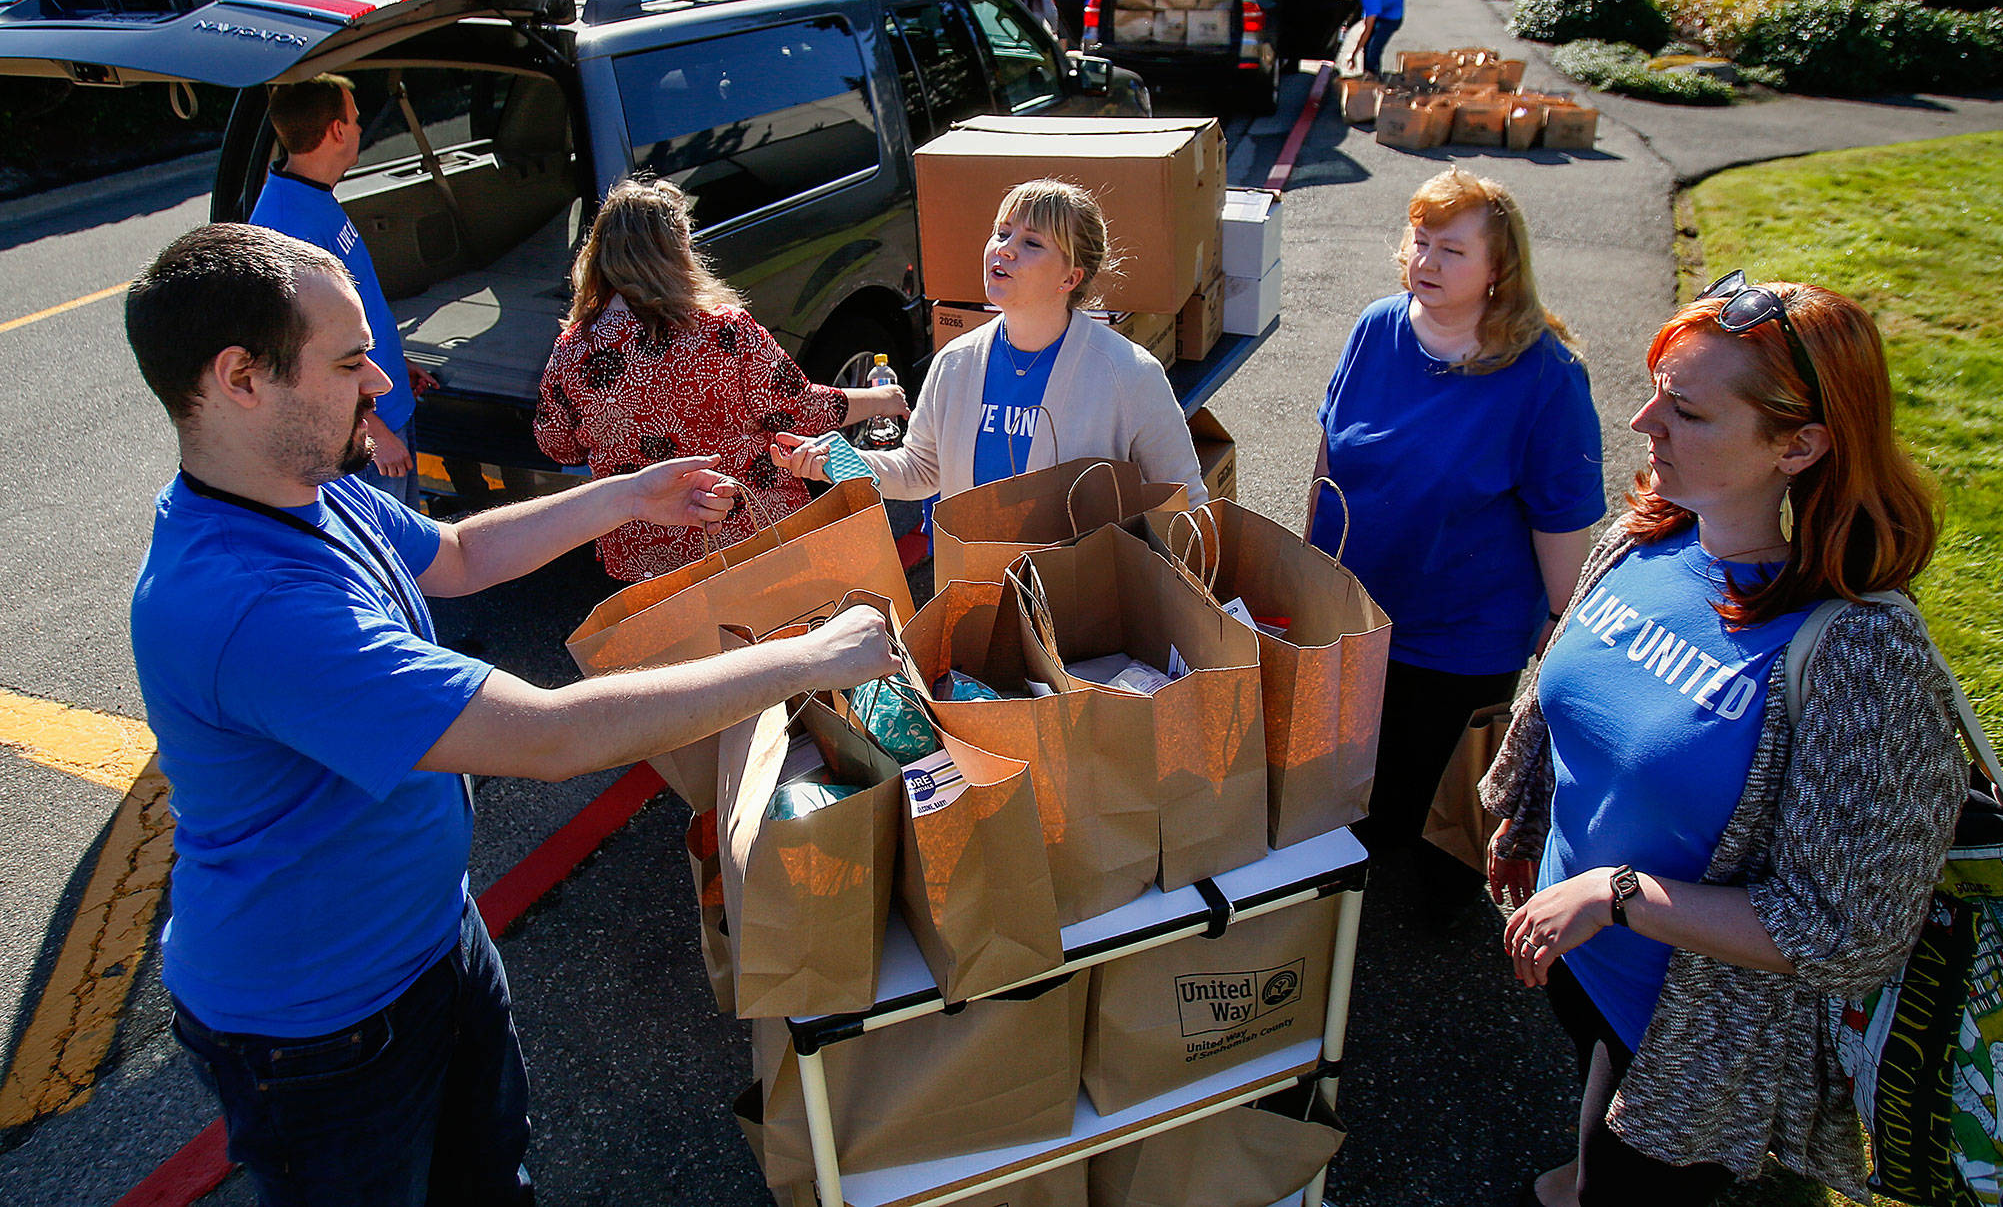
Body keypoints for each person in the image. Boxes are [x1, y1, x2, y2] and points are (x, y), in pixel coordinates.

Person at [128, 222, 895, 1207]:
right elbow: (547, 734)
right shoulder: (245, 605)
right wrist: (808, 656)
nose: (379, 384)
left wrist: (628, 494)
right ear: (240, 378)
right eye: (352, 359)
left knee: (493, 1183)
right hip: (318, 1034)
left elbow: (456, 555)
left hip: (430, 943)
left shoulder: (301, 490)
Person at [1481, 275, 1967, 1207]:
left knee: (1627, 1180)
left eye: (1687, 410)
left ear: (1801, 444)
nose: (1639, 420)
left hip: (1694, 1041)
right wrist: (1522, 823)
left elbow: (1848, 929)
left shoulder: (1860, 655)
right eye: (1658, 388)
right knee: (1594, 1120)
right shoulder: (1642, 538)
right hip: (1581, 957)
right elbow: (1563, 706)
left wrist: (1614, 894)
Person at [1308, 170, 1603, 877]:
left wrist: (1562, 619)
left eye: (1452, 250)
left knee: (1431, 803)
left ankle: (1431, 902)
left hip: (1461, 634)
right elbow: (1331, 445)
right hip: (1356, 608)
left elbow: (1560, 515)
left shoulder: (1544, 375)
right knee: (1350, 783)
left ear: (1500, 269)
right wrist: (1308, 559)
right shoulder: (1377, 327)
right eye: (1420, 241)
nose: (1426, 262)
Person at [533, 177, 908, 581]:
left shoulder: (574, 347)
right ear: (678, 251)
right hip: (749, 533)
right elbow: (800, 410)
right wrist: (883, 398)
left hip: (646, 556)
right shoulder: (723, 329)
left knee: (682, 644)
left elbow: (558, 446)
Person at [774, 179, 1204, 507]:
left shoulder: (1128, 373)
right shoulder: (955, 362)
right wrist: (838, 459)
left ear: (1070, 278)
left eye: (1032, 242)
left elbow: (1187, 501)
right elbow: (921, 470)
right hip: (976, 595)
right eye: (1002, 233)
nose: (1006, 249)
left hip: (1083, 602)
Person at [248, 74, 436, 508]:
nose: (357, 128)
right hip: (365, 437)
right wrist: (371, 430)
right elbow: (302, 358)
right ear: (335, 131)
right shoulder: (283, 228)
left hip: (385, 406)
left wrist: (393, 361)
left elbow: (352, 309)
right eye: (353, 120)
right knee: (385, 564)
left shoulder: (312, 198)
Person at [1335, 0, 1405, 77]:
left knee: (1374, 47)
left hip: (1392, 14)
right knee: (1366, 46)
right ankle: (1367, 74)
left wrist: (1353, 55)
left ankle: (1373, 77)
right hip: (1381, 2)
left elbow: (1367, 28)